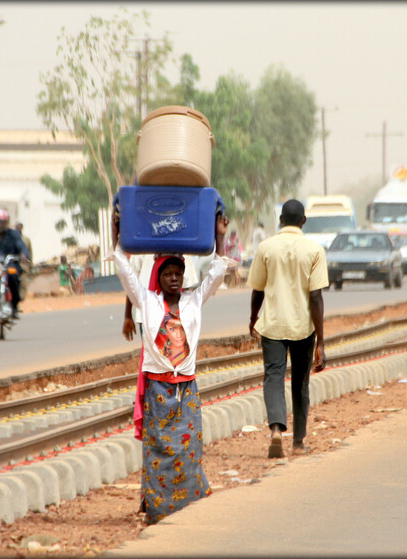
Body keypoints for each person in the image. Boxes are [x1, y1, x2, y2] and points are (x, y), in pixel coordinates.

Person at [109, 207, 229, 525]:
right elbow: (123, 268)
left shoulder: (194, 300)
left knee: (190, 447)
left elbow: (217, 271)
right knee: (158, 450)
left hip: (186, 387)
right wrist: (117, 232)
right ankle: (158, 507)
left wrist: (219, 234)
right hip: (158, 389)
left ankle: (189, 504)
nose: (174, 278)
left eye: (178, 273)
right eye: (167, 273)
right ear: (158, 278)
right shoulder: (147, 302)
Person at [248, 199, 328, 458]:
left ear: (281, 220)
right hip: (303, 328)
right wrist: (321, 342)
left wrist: (253, 318)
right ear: (304, 220)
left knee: (273, 377)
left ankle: (275, 430)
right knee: (300, 383)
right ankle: (298, 442)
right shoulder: (315, 250)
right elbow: (316, 297)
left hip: (272, 326)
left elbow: (257, 289)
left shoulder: (266, 247)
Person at [14, 222, 34, 301]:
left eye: (19, 227)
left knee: (23, 283)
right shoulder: (11, 239)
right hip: (13, 264)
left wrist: (31, 265)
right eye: (16, 227)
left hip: (23, 265)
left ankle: (21, 298)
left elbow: (30, 252)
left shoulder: (26, 240)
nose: (18, 229)